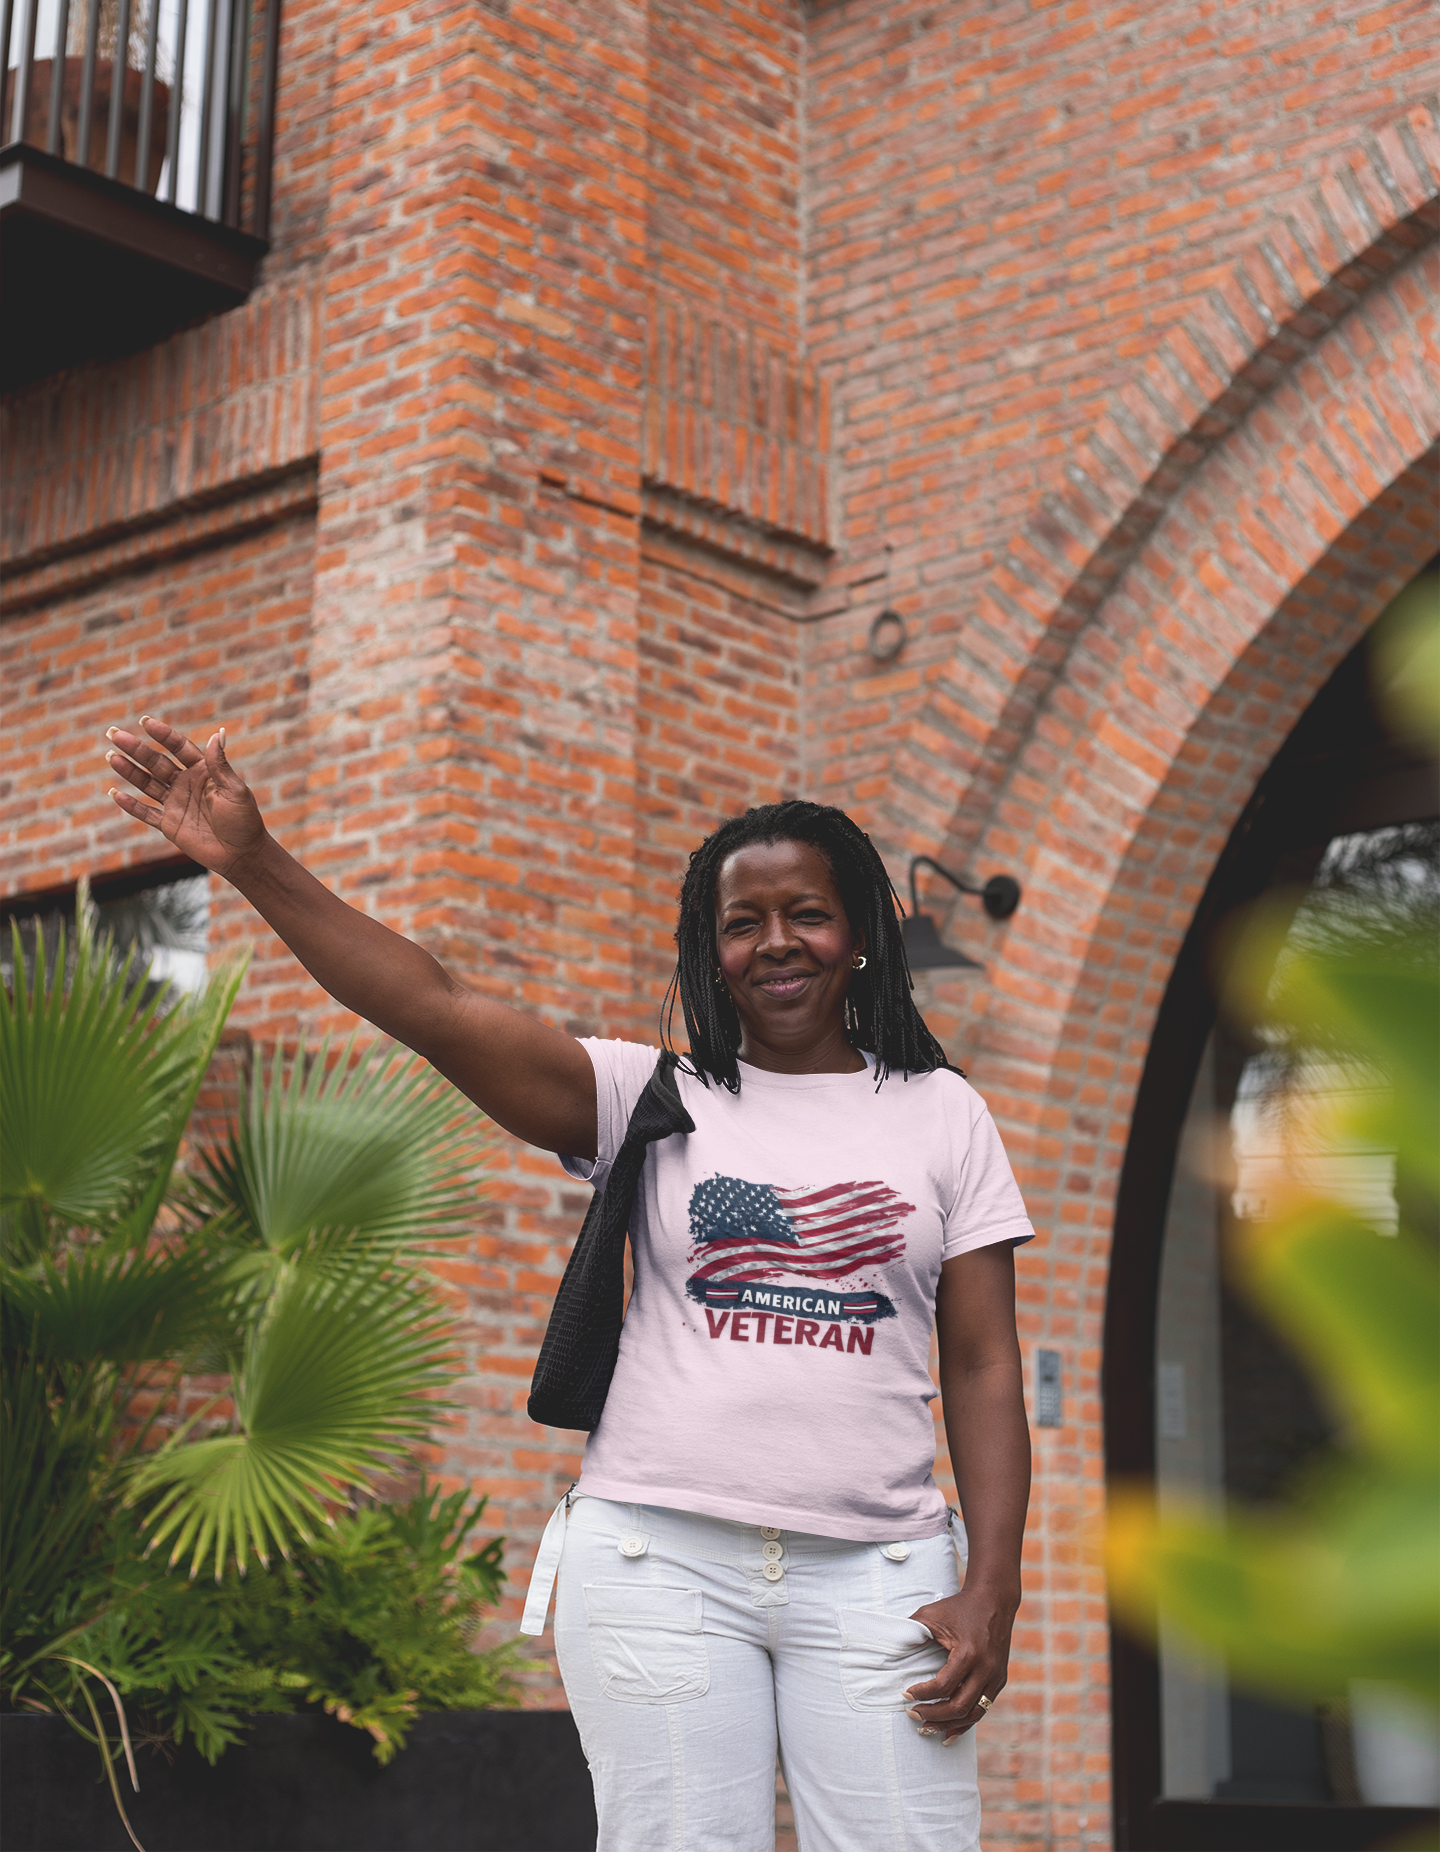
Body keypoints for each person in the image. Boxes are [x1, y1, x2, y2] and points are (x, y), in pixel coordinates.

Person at [103, 713, 1034, 1852]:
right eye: (744, 923)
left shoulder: (944, 1114)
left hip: (884, 1571)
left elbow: (984, 1361)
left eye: (807, 914)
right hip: (660, 1562)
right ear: (712, 949)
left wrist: (993, 1581)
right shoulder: (648, 1093)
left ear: (859, 939)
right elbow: (432, 1006)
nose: (776, 942)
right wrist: (255, 862)